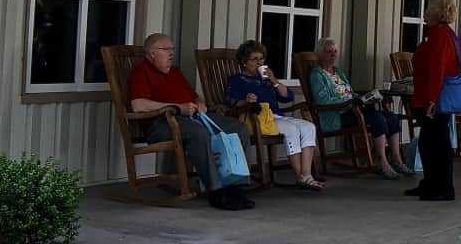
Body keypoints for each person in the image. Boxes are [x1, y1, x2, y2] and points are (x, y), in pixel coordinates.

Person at [128, 33, 253, 210]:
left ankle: (237, 186)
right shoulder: (141, 72)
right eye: (166, 49)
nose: (171, 53)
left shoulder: (175, 72)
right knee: (197, 132)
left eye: (172, 49)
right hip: (162, 123)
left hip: (193, 118)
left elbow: (194, 97)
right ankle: (216, 191)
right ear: (152, 53)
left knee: (238, 127)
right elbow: (138, 105)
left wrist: (200, 104)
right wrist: (178, 107)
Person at [307, 37, 412, 180]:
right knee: (378, 119)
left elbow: (349, 91)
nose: (333, 55)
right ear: (321, 53)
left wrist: (366, 97)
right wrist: (350, 100)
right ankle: (383, 163)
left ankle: (397, 160)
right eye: (329, 52)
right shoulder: (317, 74)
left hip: (353, 110)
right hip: (336, 114)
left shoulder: (338, 72)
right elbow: (322, 100)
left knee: (392, 118)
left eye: (335, 51)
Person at [226, 39, 324, 191]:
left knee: (309, 127)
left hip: (276, 117)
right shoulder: (236, 80)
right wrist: (245, 101)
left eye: (262, 59)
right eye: (255, 59)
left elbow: (288, 97)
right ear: (244, 62)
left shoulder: (266, 80)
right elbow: (231, 102)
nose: (259, 62)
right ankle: (300, 177)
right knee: (292, 130)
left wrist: (274, 80)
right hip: (258, 119)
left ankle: (307, 175)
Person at [407, 0, 461, 202]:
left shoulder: (439, 33)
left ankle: (443, 187)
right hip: (430, 94)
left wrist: (431, 99)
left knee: (437, 143)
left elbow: (438, 68)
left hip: (433, 97)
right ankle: (430, 183)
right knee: (429, 142)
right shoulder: (444, 33)